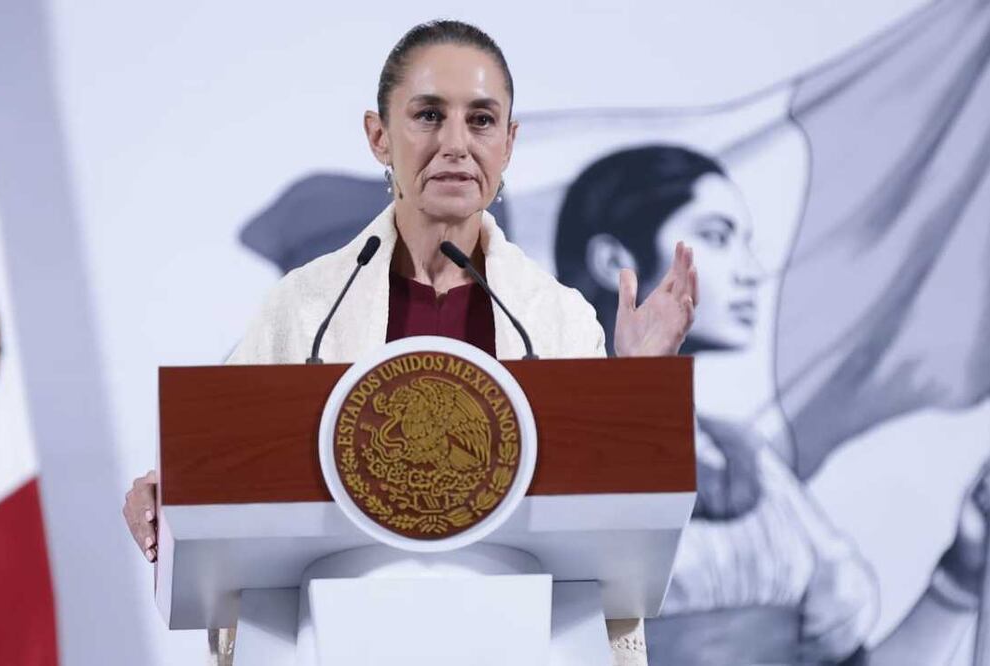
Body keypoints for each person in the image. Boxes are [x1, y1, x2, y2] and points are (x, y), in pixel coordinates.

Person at [122, 21, 700, 666]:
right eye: (429, 115)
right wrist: (167, 490)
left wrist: (639, 384)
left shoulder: (553, 319)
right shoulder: (308, 307)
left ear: (509, 144)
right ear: (378, 136)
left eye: (481, 121)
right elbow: (226, 469)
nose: (456, 144)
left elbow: (608, 523)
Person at [556, 144, 990, 665]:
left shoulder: (750, 462)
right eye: (717, 237)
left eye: (748, 242)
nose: (752, 270)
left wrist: (961, 574)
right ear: (614, 262)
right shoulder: (545, 449)